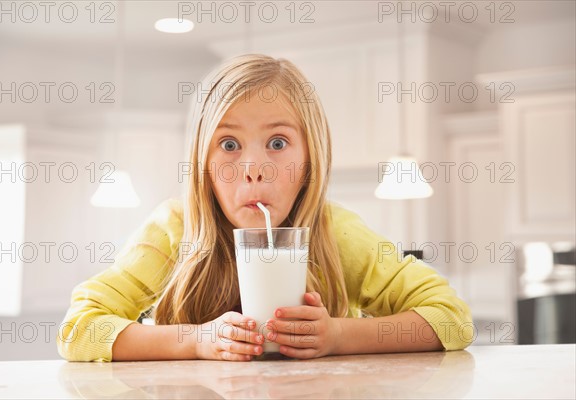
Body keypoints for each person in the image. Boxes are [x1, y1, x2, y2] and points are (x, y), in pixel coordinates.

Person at [57, 54, 474, 362]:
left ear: (310, 157)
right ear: (202, 161)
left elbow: (451, 318)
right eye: (229, 145)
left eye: (277, 143)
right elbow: (78, 330)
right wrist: (198, 340)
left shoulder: (334, 233)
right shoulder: (175, 231)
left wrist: (339, 336)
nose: (254, 170)